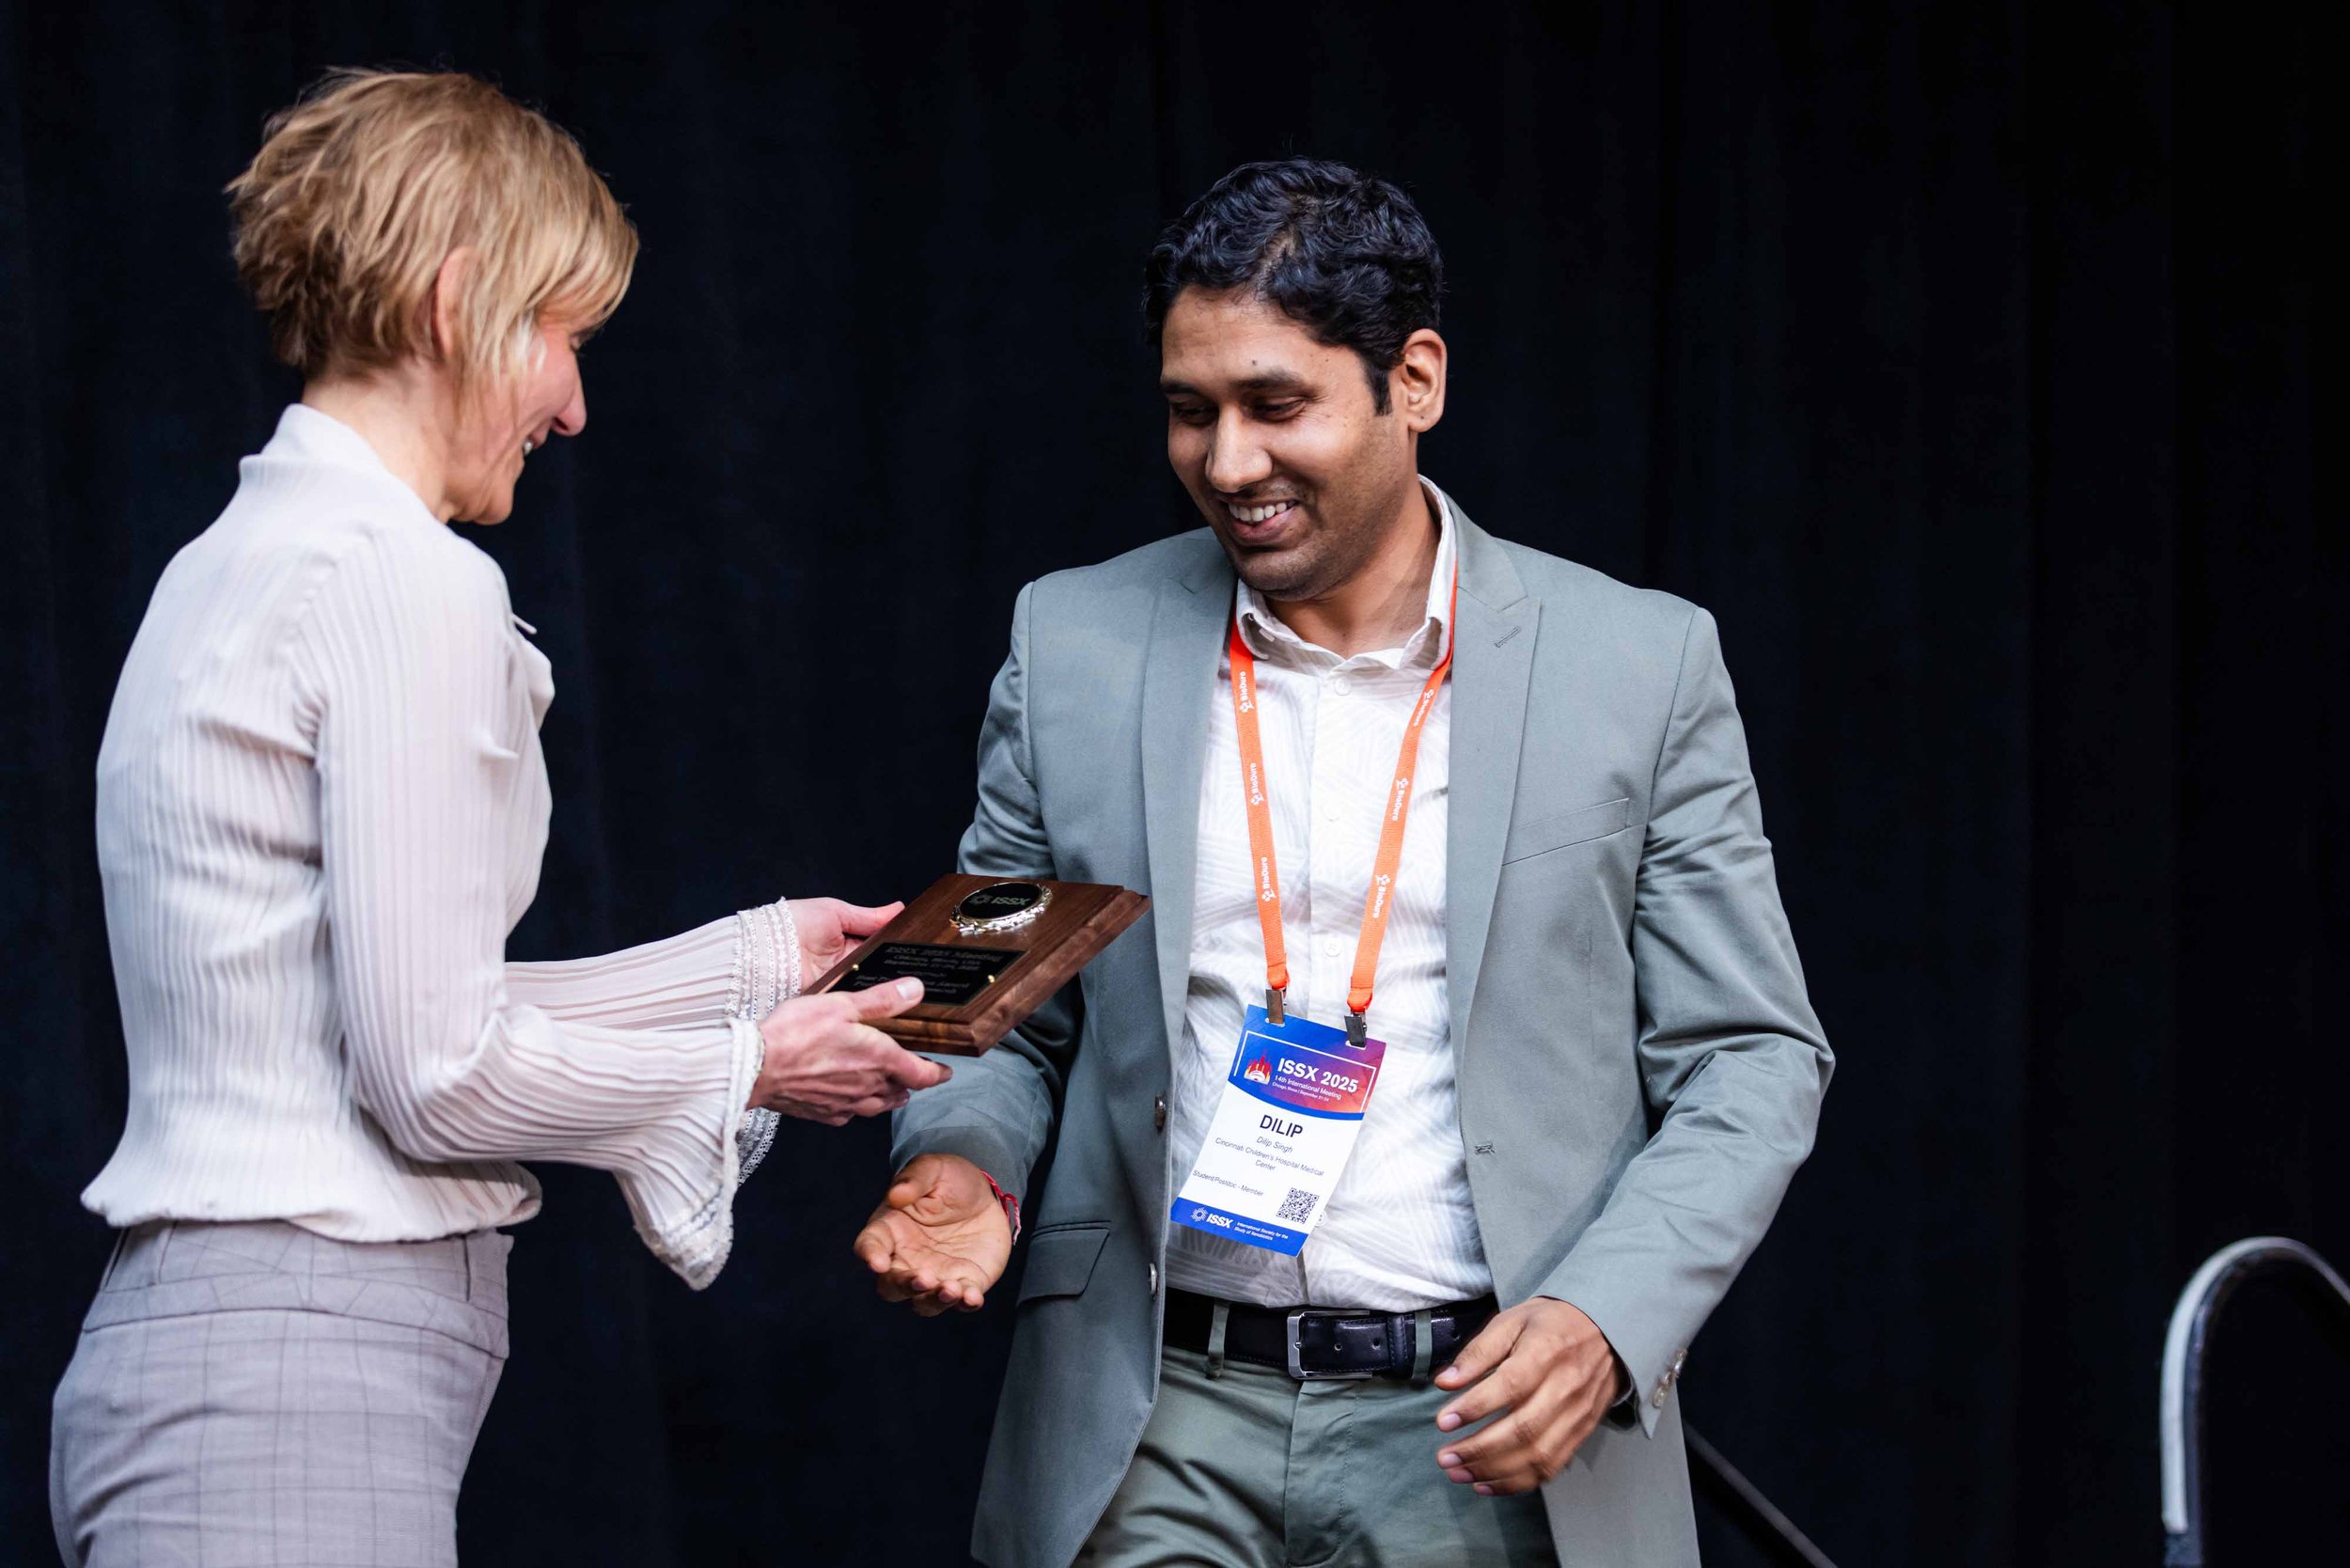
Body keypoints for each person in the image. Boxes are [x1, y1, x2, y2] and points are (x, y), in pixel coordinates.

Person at [854, 158, 1832, 1567]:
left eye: (1276, 406)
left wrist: (1605, 1321)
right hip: (1151, 1419)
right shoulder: (1070, 640)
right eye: (1191, 414)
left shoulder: (1639, 662)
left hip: (1475, 1429)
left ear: (1414, 381)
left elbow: (1751, 1056)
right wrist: (959, 1167)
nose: (1228, 463)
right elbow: (986, 1004)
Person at [48, 70, 947, 1568]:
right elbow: (436, 1076)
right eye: (564, 338)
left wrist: (740, 966)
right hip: (296, 1389)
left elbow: (362, 1018)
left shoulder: (237, 558)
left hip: (210, 1365)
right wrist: (746, 1065)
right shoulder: (402, 580)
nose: (575, 405)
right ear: (457, 297)